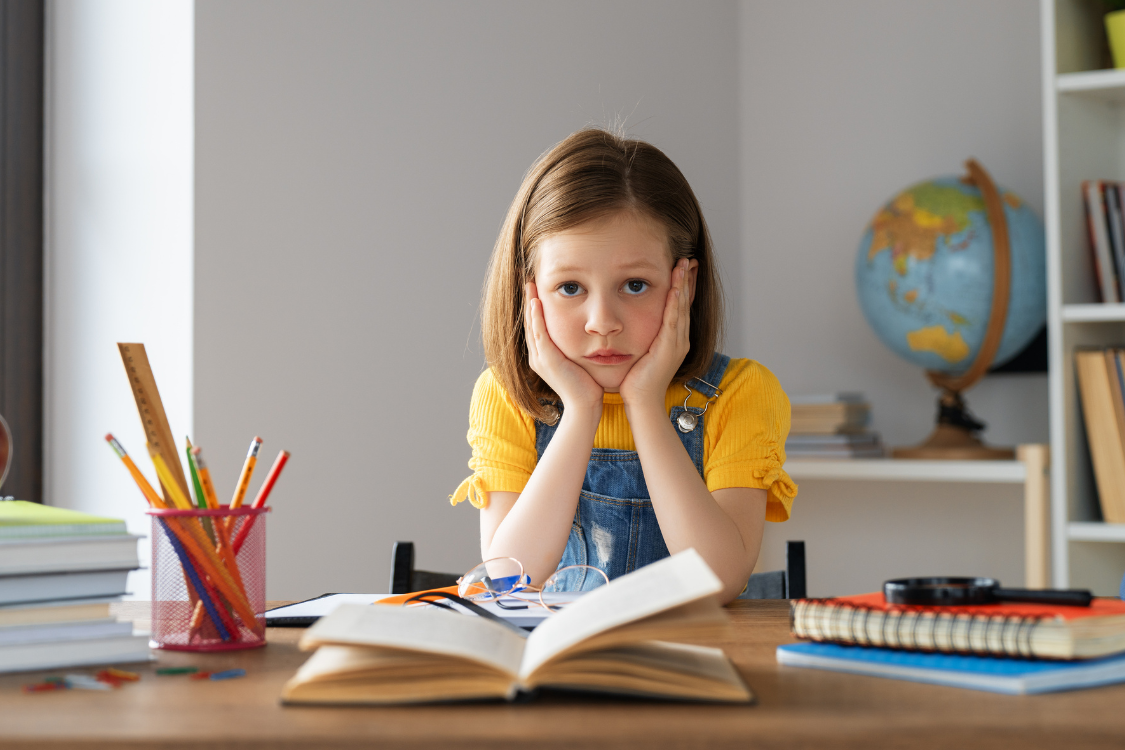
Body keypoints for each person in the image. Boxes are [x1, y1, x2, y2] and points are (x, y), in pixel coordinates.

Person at [450, 128, 796, 604]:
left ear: (685, 284)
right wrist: (579, 410)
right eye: (570, 287)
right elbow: (510, 581)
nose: (602, 323)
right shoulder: (506, 396)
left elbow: (718, 580)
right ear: (529, 291)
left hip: (691, 664)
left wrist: (646, 405)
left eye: (635, 285)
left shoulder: (740, 392)